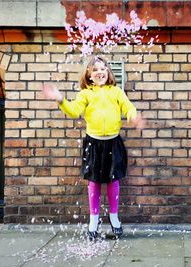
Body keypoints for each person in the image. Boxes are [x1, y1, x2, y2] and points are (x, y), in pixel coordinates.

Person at [41, 56, 144, 240]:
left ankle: (114, 217)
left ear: (108, 72)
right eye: (95, 69)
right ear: (88, 74)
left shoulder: (117, 92)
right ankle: (94, 220)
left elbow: (128, 107)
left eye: (103, 69)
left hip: (113, 142)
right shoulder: (85, 94)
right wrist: (60, 100)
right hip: (94, 143)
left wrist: (133, 116)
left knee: (113, 180)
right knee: (94, 182)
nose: (100, 72)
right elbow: (73, 111)